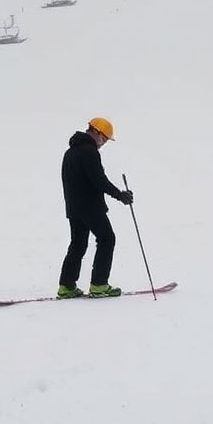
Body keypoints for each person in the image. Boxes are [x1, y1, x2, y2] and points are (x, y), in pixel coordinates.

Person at [58, 117, 133, 299]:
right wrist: (120, 195)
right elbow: (99, 180)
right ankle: (99, 284)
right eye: (104, 138)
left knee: (78, 244)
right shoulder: (89, 152)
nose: (103, 143)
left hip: (74, 207)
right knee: (107, 239)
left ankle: (66, 286)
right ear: (95, 132)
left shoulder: (70, 153)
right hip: (90, 207)